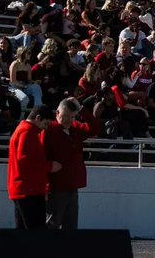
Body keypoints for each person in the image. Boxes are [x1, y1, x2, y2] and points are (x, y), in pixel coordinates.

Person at [42, 97, 96, 230]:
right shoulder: (48, 131)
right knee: (52, 225)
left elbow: (94, 128)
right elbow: (41, 158)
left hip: (72, 186)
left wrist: (81, 109)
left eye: (72, 117)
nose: (69, 120)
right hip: (55, 188)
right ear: (57, 114)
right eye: (65, 116)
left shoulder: (75, 129)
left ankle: (67, 251)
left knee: (71, 227)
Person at [8, 106, 58, 229]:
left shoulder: (23, 129)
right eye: (45, 123)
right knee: (36, 232)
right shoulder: (28, 132)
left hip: (22, 189)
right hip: (29, 190)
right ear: (38, 118)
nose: (45, 128)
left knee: (23, 230)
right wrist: (50, 166)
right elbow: (25, 160)